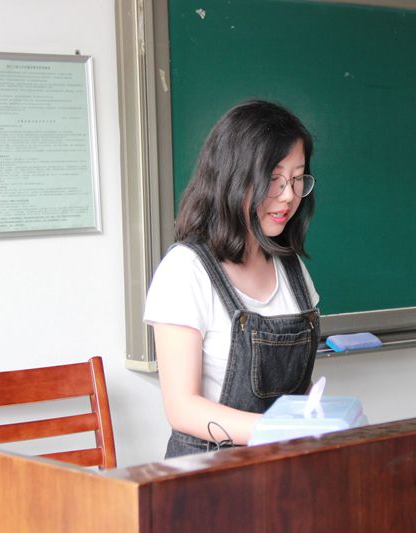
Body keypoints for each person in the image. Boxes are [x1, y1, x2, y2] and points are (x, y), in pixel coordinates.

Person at [143, 100, 320, 458]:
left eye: (297, 178)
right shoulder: (185, 271)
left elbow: (297, 390)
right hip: (209, 474)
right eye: (273, 179)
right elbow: (182, 409)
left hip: (282, 467)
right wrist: (276, 430)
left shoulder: (292, 269)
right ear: (233, 177)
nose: (288, 195)